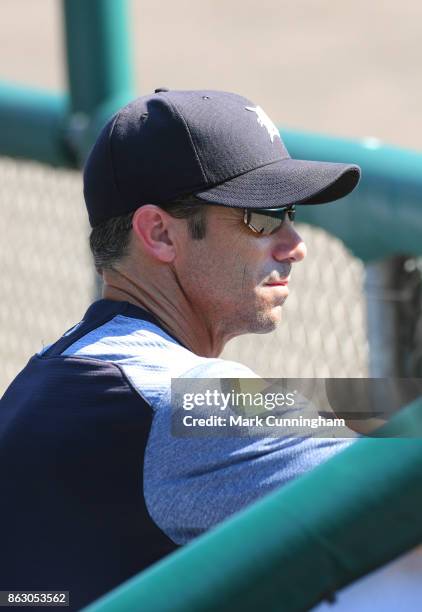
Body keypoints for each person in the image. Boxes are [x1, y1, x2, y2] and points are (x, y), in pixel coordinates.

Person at [0, 89, 361, 609]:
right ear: (159, 234)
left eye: (291, 212)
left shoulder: (49, 372)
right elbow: (397, 494)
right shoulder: (188, 401)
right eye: (261, 216)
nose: (295, 245)